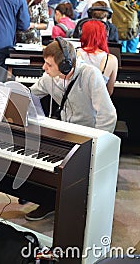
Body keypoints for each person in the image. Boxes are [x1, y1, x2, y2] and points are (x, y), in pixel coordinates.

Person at [25, 37, 117, 220]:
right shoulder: (48, 79)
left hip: (87, 136)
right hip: (64, 133)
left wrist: (97, 148)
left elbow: (108, 115)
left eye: (49, 65)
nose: (44, 68)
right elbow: (28, 94)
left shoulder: (90, 75)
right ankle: (48, 201)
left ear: (66, 66)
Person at [77, 20, 118, 95]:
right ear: (105, 35)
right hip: (99, 105)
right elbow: (109, 91)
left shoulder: (75, 54)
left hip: (75, 104)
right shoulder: (112, 60)